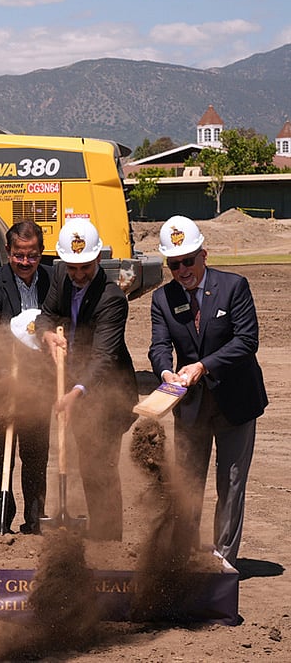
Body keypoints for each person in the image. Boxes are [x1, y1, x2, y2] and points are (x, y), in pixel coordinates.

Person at [148, 215, 266, 564]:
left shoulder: (234, 287)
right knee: (187, 484)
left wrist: (203, 365)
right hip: (191, 406)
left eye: (188, 260)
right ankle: (184, 558)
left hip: (236, 401)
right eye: (174, 263)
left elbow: (247, 341)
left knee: (230, 484)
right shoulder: (162, 299)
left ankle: (222, 559)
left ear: (204, 255)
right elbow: (158, 345)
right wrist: (166, 371)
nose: (182, 270)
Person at [36, 218, 136, 541]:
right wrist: (48, 335)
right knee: (87, 463)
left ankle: (109, 541)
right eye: (72, 267)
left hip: (108, 394)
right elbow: (45, 315)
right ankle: (98, 533)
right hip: (77, 389)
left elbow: (103, 359)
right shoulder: (61, 279)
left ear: (98, 259)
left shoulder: (112, 299)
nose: (78, 275)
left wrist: (75, 393)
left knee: (101, 469)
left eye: (85, 267)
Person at [0, 220, 53, 535]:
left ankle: (34, 523)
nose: (25, 262)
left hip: (39, 386)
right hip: (2, 387)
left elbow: (59, 321)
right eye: (19, 255)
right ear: (8, 252)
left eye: (32, 255)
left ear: (41, 253)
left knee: (36, 458)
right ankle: (0, 526)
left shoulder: (53, 280)